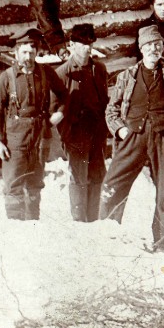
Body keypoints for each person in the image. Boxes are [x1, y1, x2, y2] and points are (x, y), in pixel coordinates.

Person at [102, 23, 164, 252]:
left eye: (158, 44)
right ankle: (108, 235)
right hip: (133, 137)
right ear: (141, 48)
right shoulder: (127, 77)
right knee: (112, 184)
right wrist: (120, 130)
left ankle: (160, 243)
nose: (154, 49)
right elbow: (111, 109)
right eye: (149, 45)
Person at [0, 34, 56, 220]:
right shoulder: (7, 77)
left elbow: (63, 95)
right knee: (14, 185)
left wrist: (59, 113)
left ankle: (33, 225)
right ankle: (15, 230)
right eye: (24, 52)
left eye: (31, 52)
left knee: (35, 184)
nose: (28, 57)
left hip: (39, 138)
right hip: (15, 140)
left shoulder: (45, 73)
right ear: (16, 53)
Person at [52, 24, 110, 222]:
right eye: (83, 44)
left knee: (97, 176)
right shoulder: (62, 73)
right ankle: (79, 221)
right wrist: (66, 132)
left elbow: (104, 99)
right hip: (75, 135)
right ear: (71, 45)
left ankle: (93, 220)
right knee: (79, 178)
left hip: (96, 132)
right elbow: (55, 107)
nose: (87, 48)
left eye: (90, 43)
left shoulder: (99, 69)